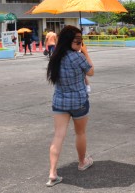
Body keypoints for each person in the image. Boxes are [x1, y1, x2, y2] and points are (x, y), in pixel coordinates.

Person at [46, 25, 94, 187]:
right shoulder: (78, 57)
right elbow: (91, 72)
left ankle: (53, 173)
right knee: (80, 133)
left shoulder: (55, 57)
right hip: (79, 101)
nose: (80, 43)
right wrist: (85, 52)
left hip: (60, 101)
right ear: (70, 41)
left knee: (58, 135)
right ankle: (82, 162)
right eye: (78, 40)